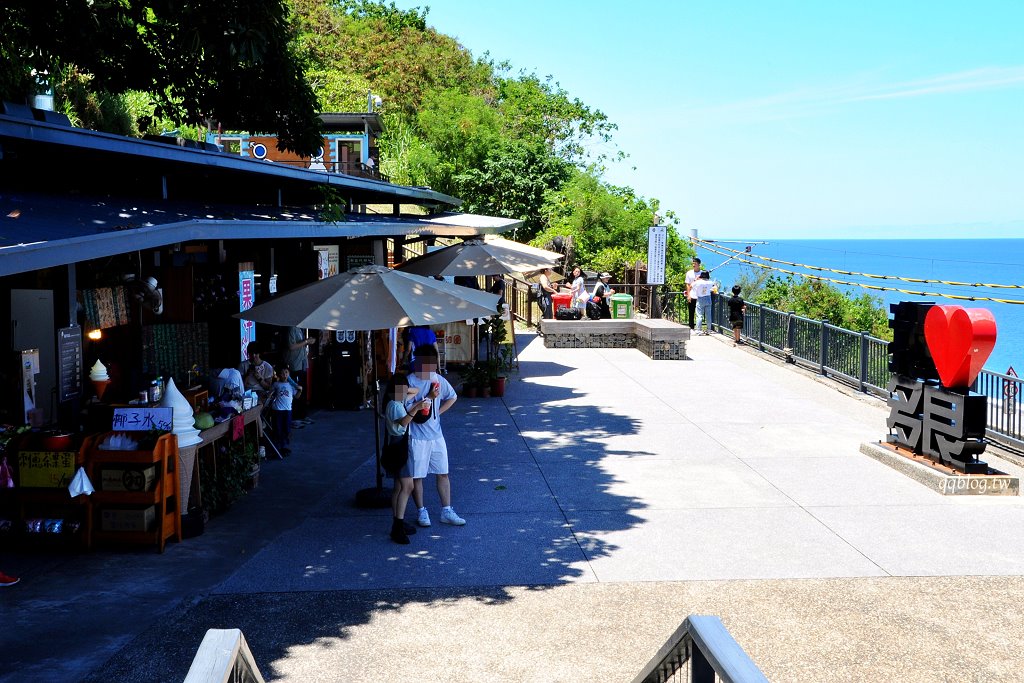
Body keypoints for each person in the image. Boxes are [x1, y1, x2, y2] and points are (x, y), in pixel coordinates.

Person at [405, 344, 465, 527]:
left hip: (436, 435)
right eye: (427, 364)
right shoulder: (409, 382)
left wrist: (438, 412)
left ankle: (446, 510)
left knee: (443, 473)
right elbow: (404, 409)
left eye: (432, 364)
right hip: (416, 436)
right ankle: (421, 511)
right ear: (418, 362)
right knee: (417, 476)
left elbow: (452, 396)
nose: (430, 368)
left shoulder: (438, 379)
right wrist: (430, 398)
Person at [382, 373, 431, 544]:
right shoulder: (395, 405)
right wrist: (416, 408)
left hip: (397, 445)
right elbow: (403, 423)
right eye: (401, 388)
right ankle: (398, 526)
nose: (405, 391)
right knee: (407, 486)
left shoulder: (396, 401)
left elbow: (415, 390)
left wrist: (404, 390)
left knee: (398, 486)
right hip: (400, 446)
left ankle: (397, 522)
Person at [282, 326, 314, 421]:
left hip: (302, 362)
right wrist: (306, 341)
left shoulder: (300, 328)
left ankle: (303, 415)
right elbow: (291, 346)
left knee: (302, 389)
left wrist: (307, 341)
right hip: (294, 364)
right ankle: (296, 417)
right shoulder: (291, 328)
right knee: (296, 390)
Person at [268, 365, 300, 455]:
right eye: (282, 373)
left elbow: (296, 396)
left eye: (286, 372)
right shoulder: (276, 384)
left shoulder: (291, 385)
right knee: (277, 429)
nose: (284, 375)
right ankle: (277, 447)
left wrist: (300, 390)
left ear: (289, 374)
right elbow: (270, 395)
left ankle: (284, 446)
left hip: (287, 410)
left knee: (286, 429)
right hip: (277, 410)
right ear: (279, 375)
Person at [684, 257, 702, 329]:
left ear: (699, 264)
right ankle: (691, 326)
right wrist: (688, 295)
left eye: (695, 264)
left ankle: (698, 327)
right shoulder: (689, 273)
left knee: (699, 313)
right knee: (691, 312)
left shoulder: (702, 273)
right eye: (693, 263)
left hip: (700, 296)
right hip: (692, 295)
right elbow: (687, 284)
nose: (694, 265)